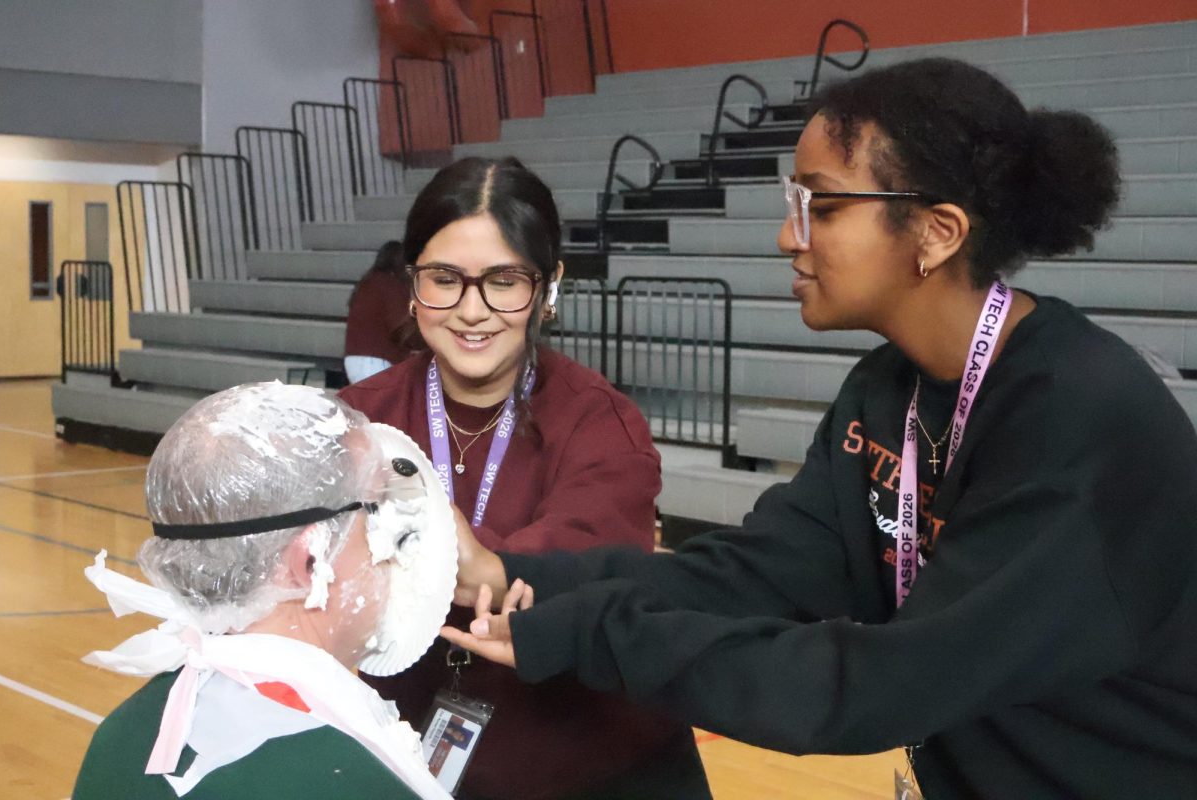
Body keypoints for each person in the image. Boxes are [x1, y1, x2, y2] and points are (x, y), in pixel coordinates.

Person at [441, 58, 1197, 799]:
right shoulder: (884, 390)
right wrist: (512, 576)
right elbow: (752, 575)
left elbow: (872, 685)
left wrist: (593, 634)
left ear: (936, 232)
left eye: (822, 206)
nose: (787, 237)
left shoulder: (1079, 418)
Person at [339, 157, 711, 800]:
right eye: (444, 279)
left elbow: (593, 559)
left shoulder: (603, 424)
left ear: (548, 286)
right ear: (412, 283)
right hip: (406, 763)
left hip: (592, 771)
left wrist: (483, 563)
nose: (471, 310)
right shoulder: (359, 418)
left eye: (504, 281)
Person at [73, 382, 459, 799]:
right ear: (310, 561)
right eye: (376, 513)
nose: (396, 546)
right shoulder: (356, 779)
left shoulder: (121, 733)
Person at [345, 239, 415, 383]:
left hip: (354, 359)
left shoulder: (368, 282)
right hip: (376, 361)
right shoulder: (391, 286)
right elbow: (400, 327)